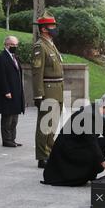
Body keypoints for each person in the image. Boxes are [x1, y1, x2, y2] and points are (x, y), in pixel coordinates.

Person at [43, 93, 105, 187]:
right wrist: (104, 163)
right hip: (67, 151)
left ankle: (89, 173)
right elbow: (91, 142)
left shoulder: (96, 112)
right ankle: (79, 175)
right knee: (100, 146)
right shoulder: (88, 115)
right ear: (103, 106)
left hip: (78, 145)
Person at [32, 11, 64, 169]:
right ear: (44, 29)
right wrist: (38, 95)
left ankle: (49, 152)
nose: (54, 28)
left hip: (57, 89)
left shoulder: (51, 44)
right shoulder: (40, 46)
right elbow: (37, 72)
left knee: (52, 126)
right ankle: (42, 156)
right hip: (48, 90)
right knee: (44, 125)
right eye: (52, 26)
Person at [0, 36, 25, 147]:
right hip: (7, 92)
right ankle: (7, 140)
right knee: (7, 117)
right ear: (7, 44)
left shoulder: (14, 57)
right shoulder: (1, 57)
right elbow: (1, 76)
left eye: (16, 45)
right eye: (13, 45)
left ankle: (12, 138)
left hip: (16, 91)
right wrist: (6, 91)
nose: (15, 47)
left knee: (14, 118)